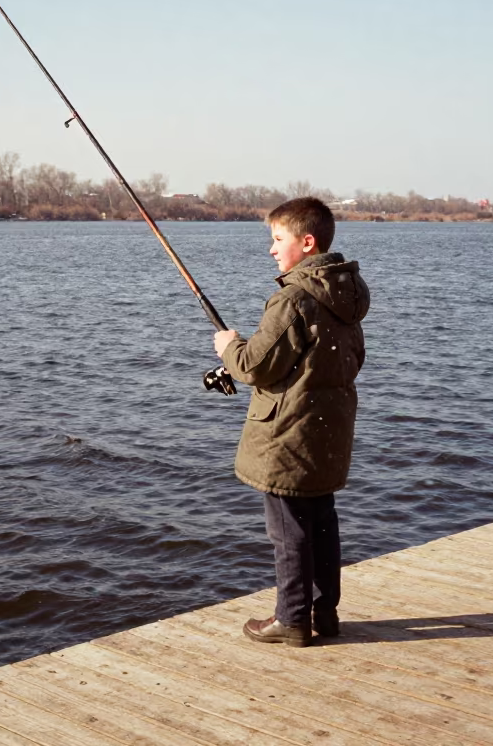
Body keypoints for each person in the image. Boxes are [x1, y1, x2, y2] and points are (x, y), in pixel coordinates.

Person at [213, 197, 370, 647]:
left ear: (307, 242)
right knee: (321, 521)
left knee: (288, 531)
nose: (271, 249)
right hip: (329, 431)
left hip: (288, 437)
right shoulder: (348, 295)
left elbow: (255, 366)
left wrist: (229, 346)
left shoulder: (295, 298)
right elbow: (353, 358)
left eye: (278, 239)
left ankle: (292, 618)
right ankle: (325, 614)